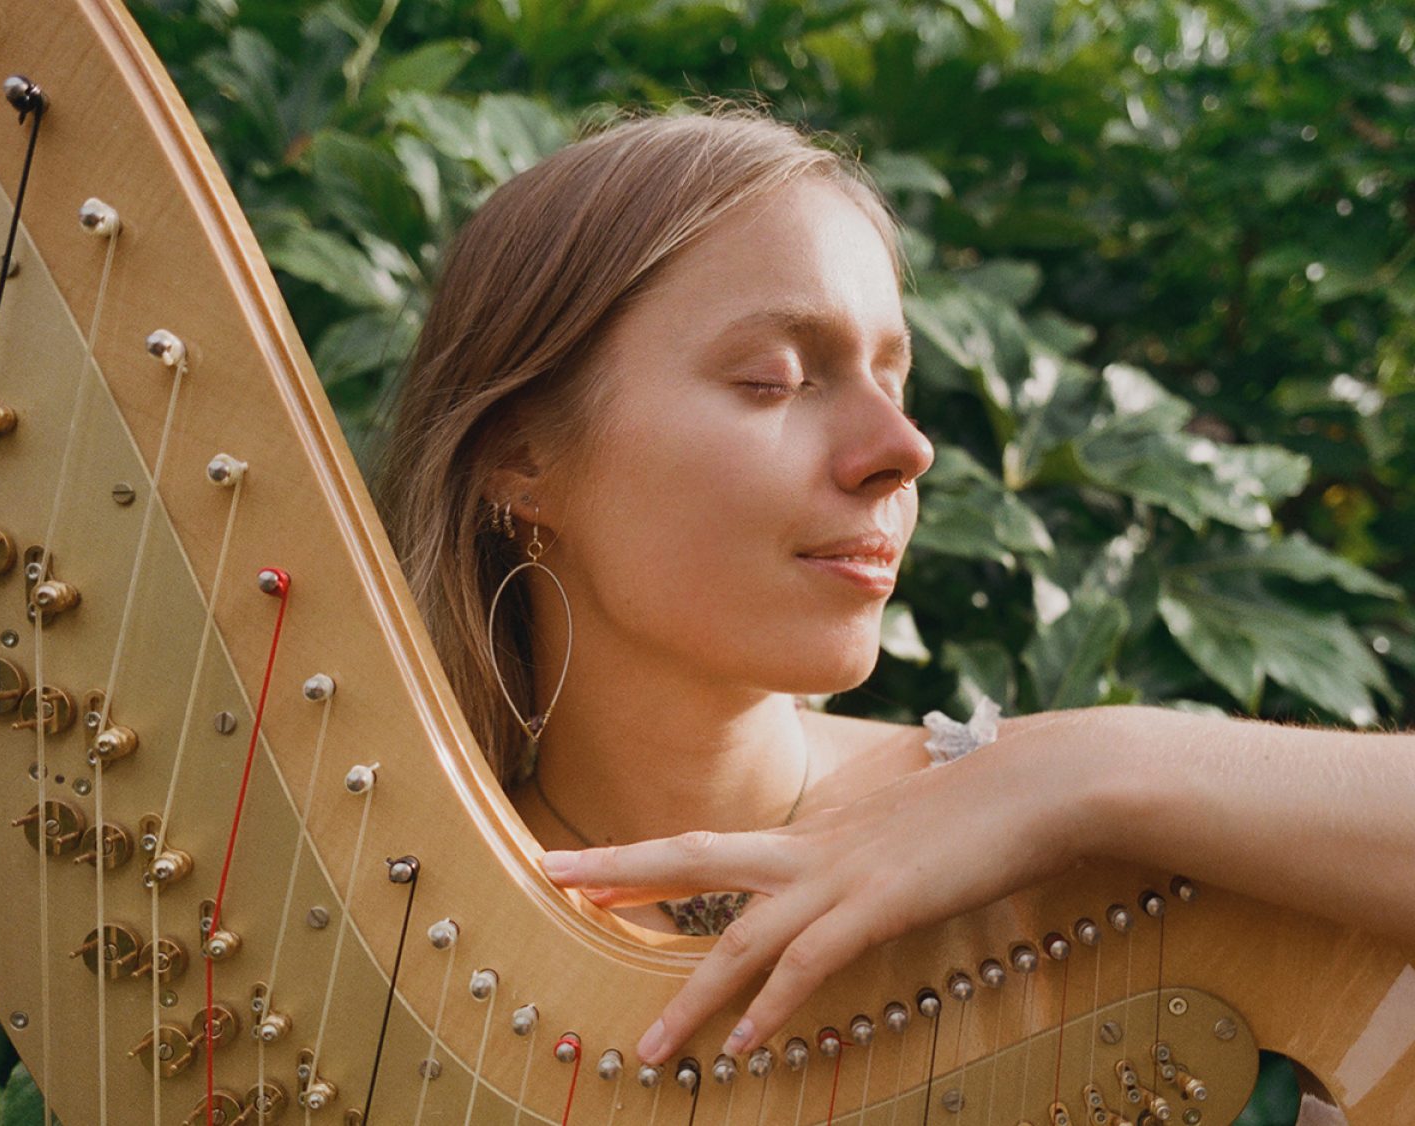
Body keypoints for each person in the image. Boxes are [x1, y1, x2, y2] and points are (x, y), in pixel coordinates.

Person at [379, 104, 1415, 1074]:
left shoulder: (1042, 831)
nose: (905, 449)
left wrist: (1084, 762)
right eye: (775, 379)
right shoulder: (375, 924)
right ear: (521, 455)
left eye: (895, 376)